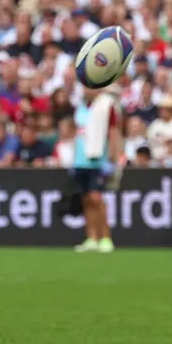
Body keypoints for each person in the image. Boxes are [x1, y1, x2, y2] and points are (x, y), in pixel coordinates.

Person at [71, 84, 121, 253]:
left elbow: (113, 133)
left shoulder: (106, 106)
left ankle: (106, 238)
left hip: (97, 159)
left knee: (96, 199)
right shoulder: (80, 107)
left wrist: (113, 158)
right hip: (80, 159)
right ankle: (91, 237)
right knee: (86, 199)